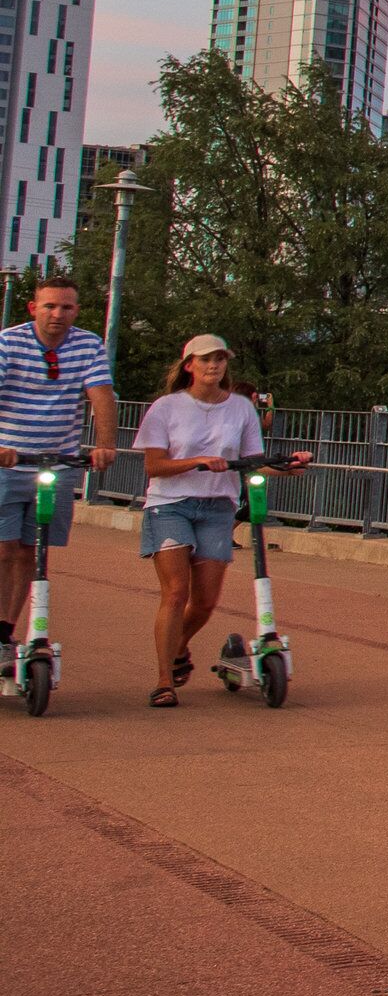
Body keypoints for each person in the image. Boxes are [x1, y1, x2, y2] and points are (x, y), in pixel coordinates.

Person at [134, 334, 301, 707]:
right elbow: (154, 465)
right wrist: (197, 461)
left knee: (206, 601)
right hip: (170, 504)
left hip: (217, 506)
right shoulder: (166, 407)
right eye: (206, 360)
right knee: (176, 592)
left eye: (220, 360)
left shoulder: (241, 408)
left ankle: (178, 646)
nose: (214, 366)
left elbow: (253, 460)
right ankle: (164, 680)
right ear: (189, 364)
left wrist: (287, 466)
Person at [0, 272, 119, 615]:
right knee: (3, 550)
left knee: (32, 551)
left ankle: (7, 631)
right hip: (9, 462)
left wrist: (105, 444)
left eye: (66, 307)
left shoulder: (88, 344)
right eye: (49, 306)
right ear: (33, 307)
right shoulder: (9, 343)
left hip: (56, 461)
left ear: (76, 311)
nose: (57, 314)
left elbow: (100, 393)